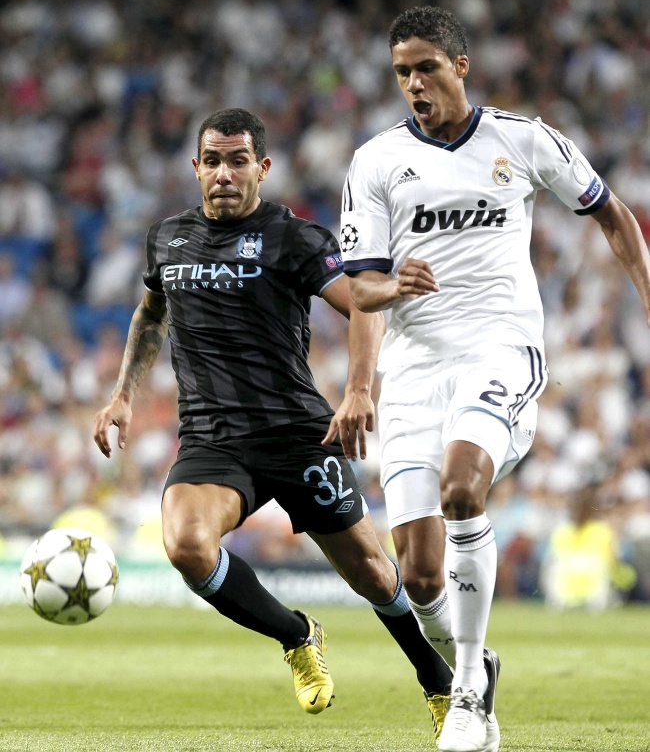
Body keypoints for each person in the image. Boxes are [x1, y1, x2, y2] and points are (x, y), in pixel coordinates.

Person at [339, 6, 650, 752]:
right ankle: (477, 658)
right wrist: (364, 371)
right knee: (418, 577)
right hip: (414, 371)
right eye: (402, 73)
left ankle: (469, 692)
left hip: (499, 349)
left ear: (461, 66)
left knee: (461, 488)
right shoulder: (376, 161)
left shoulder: (524, 139)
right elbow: (360, 287)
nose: (414, 84)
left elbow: (612, 213)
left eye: (426, 68)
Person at [93, 107, 454, 732]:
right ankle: (297, 635)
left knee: (372, 573)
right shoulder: (167, 237)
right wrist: (123, 394)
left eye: (238, 161)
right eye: (212, 161)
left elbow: (362, 306)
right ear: (196, 167)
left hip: (297, 435)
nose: (224, 174)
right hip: (212, 439)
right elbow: (152, 312)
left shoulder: (295, 238)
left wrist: (358, 389)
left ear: (262, 167)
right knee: (186, 546)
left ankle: (438, 679)